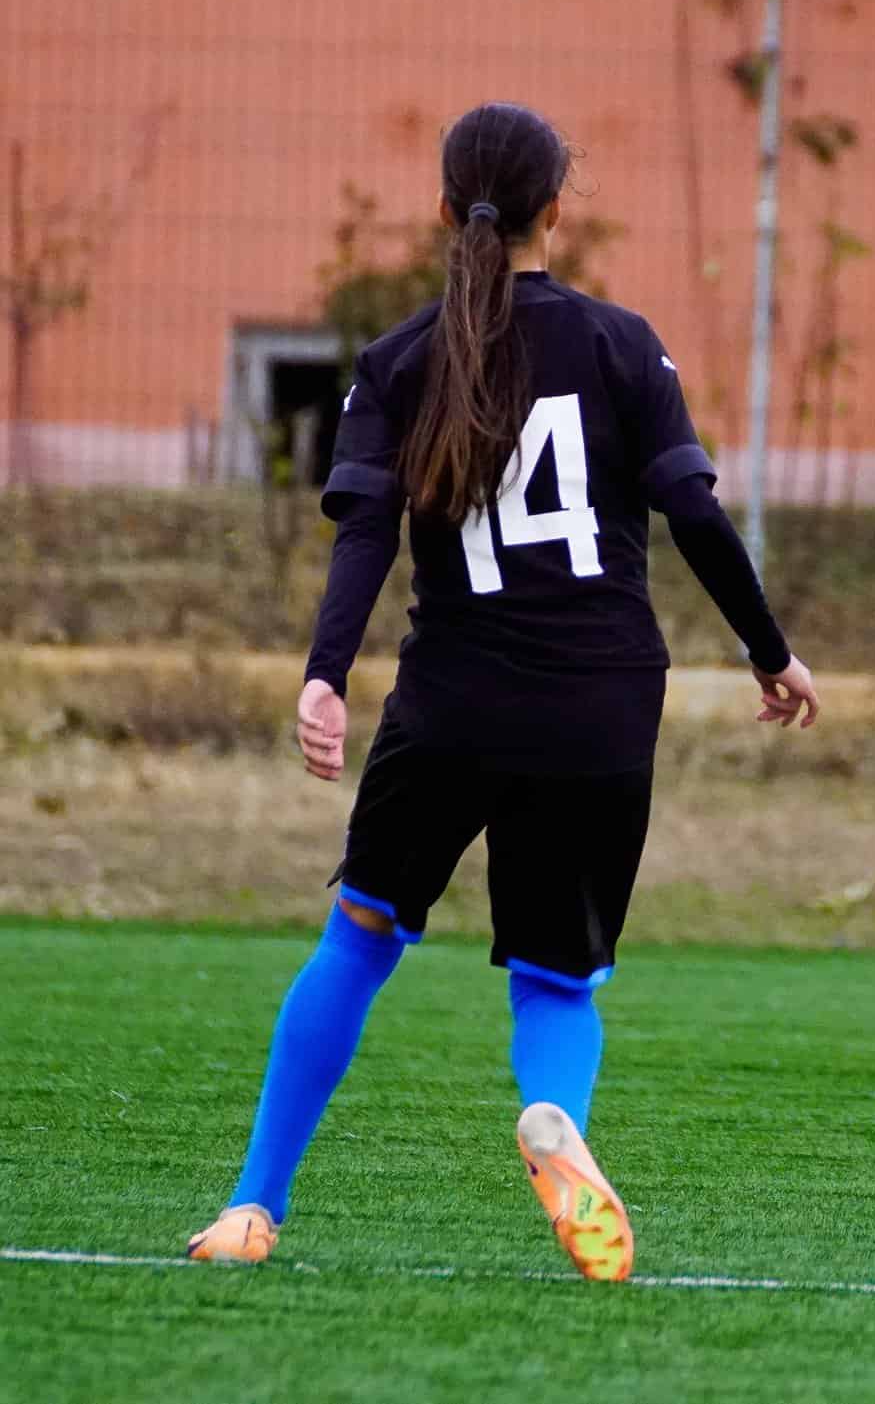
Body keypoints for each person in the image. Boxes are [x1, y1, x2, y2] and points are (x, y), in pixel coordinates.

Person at [187, 103, 819, 1282]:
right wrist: (767, 650)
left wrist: (325, 676)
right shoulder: (625, 345)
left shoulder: (399, 360)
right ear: (555, 215)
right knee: (556, 977)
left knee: (361, 936)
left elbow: (363, 538)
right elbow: (693, 514)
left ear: (443, 212)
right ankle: (556, 1121)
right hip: (603, 705)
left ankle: (251, 1209)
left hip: (452, 703)